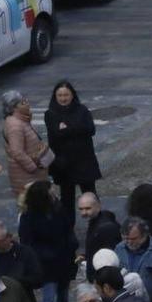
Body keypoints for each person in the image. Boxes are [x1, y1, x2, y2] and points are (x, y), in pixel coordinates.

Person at [43, 81, 101, 217]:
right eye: (60, 95)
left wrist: (67, 128)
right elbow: (56, 134)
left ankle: (97, 221)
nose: (63, 98)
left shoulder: (82, 110)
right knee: (66, 199)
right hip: (64, 164)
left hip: (84, 161)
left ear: (72, 95)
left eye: (66, 95)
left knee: (90, 194)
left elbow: (90, 129)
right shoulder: (51, 114)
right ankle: (68, 229)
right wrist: (76, 129)